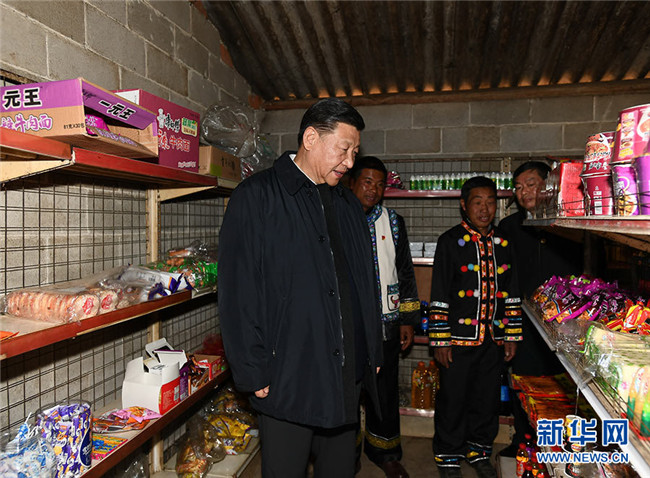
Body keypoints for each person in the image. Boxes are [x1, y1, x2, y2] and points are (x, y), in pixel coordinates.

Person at [218, 98, 383, 478]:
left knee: (339, 469)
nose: (350, 162)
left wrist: (371, 346)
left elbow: (364, 282)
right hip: (288, 373)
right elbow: (238, 290)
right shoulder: (257, 196)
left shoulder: (347, 204)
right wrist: (252, 368)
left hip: (344, 372)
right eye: (343, 149)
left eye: (355, 152)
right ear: (311, 139)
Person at [428, 176, 523, 478]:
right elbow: (439, 293)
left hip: (493, 339)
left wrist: (511, 334)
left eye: (490, 202)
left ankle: (479, 450)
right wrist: (440, 340)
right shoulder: (449, 241)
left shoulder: (504, 242)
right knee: (453, 399)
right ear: (463, 205)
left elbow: (512, 291)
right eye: (477, 202)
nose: (485, 209)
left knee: (487, 399)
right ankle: (448, 454)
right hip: (457, 341)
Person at [498, 161, 583, 456]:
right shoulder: (509, 227)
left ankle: (564, 447)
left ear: (549, 185)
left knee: (564, 388)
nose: (524, 192)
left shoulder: (569, 224)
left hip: (567, 324)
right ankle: (524, 443)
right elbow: (504, 279)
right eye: (518, 188)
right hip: (524, 322)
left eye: (531, 184)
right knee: (524, 381)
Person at [349, 156, 420, 478]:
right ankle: (346, 453)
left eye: (380, 184)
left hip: (386, 324)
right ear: (352, 182)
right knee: (348, 392)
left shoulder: (392, 222)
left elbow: (405, 272)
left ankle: (385, 451)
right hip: (348, 326)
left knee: (384, 390)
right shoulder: (336, 218)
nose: (373, 190)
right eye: (367, 182)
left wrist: (407, 320)